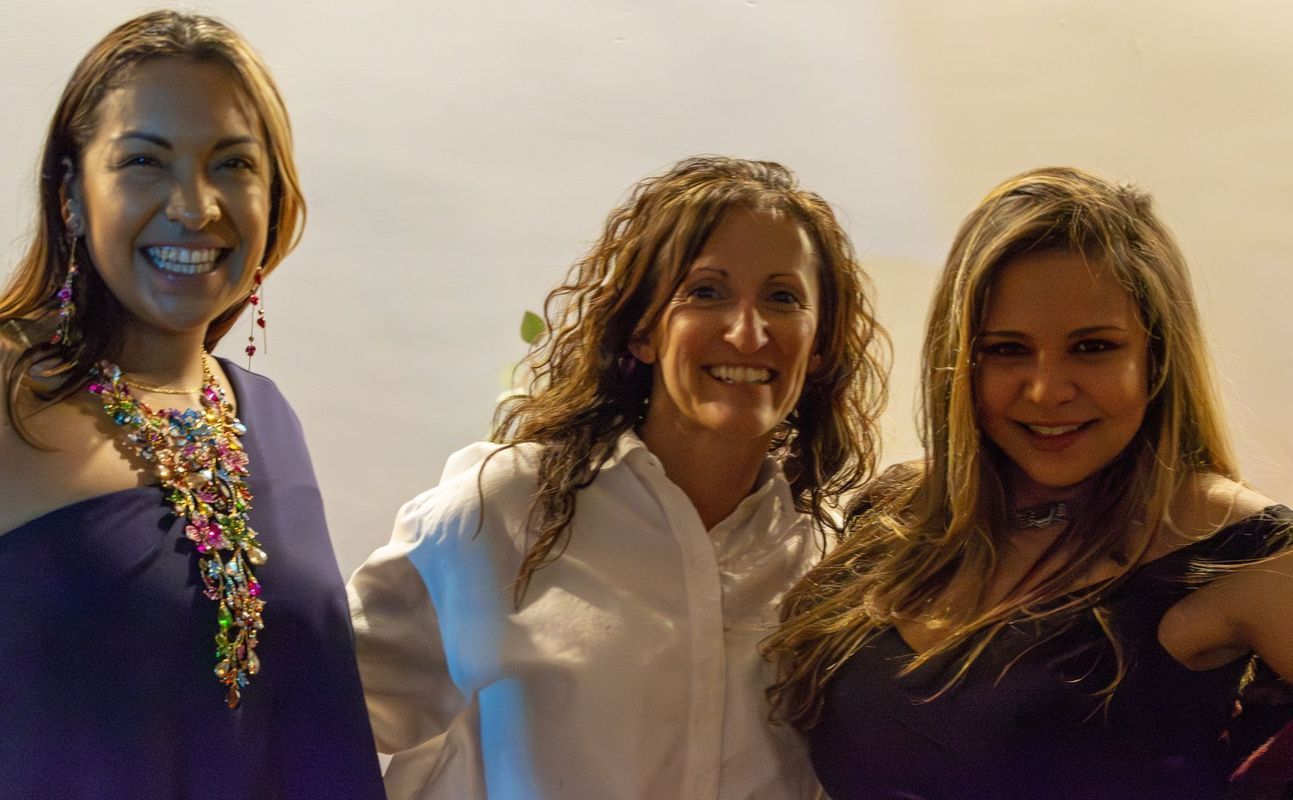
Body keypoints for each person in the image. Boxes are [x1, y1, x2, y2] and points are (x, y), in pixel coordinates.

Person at [347, 155, 887, 798]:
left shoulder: (824, 574)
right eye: (706, 292)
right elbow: (310, 714)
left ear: (819, 342)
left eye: (783, 297)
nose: (748, 332)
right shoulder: (506, 509)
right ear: (642, 331)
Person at [766, 166, 1293, 800]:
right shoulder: (899, 511)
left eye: (1093, 347)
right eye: (1008, 349)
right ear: (960, 359)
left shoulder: (1248, 556)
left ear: (1155, 358)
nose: (1046, 391)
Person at [0, 12, 384, 798]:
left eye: (233, 164)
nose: (195, 206)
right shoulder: (6, 394)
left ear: (273, 198)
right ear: (71, 193)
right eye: (144, 160)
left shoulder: (265, 420)